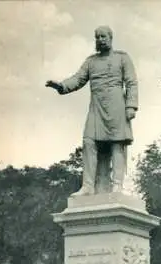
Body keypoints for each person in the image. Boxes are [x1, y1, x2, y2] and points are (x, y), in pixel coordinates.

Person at [46, 26, 138, 195]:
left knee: (117, 143)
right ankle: (88, 186)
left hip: (117, 105)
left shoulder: (122, 58)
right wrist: (62, 86)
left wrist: (131, 106)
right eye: (97, 37)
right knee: (89, 142)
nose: (100, 39)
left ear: (111, 38)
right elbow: (78, 79)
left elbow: (131, 82)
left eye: (103, 36)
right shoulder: (91, 62)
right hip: (97, 107)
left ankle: (117, 185)